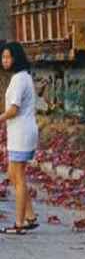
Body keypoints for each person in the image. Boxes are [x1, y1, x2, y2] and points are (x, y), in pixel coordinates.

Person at [0, 42, 39, 235]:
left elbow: (13, 110)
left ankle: (19, 223)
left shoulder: (19, 80)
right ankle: (30, 216)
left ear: (16, 58)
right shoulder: (22, 77)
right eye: (3, 57)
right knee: (13, 174)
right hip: (20, 132)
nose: (4, 60)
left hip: (21, 133)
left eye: (8, 57)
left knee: (19, 177)